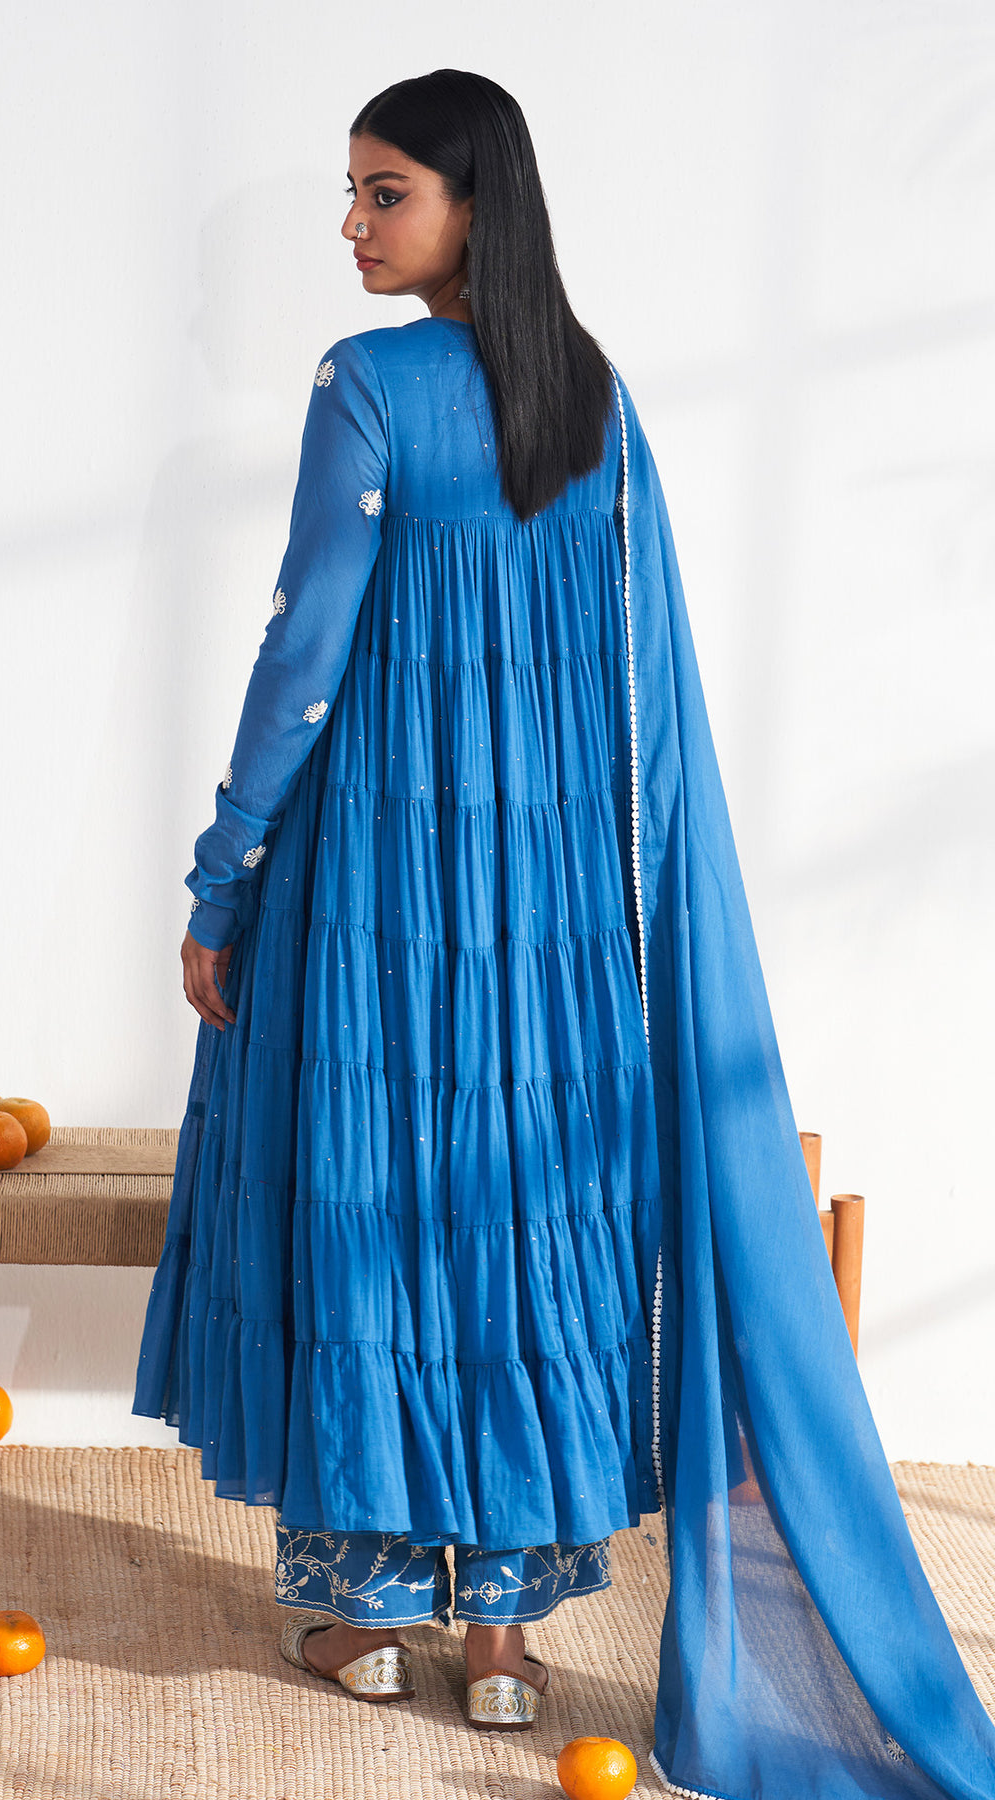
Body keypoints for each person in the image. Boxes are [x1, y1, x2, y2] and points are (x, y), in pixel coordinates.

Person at [134, 70, 995, 1792]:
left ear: (477, 204)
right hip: (557, 924)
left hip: (378, 899)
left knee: (375, 1211)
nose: (354, 224)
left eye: (385, 192)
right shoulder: (594, 400)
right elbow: (634, 691)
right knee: (518, 1223)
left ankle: (368, 1616)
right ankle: (506, 1650)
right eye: (350, 193)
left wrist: (223, 879)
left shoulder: (368, 386)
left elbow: (306, 655)